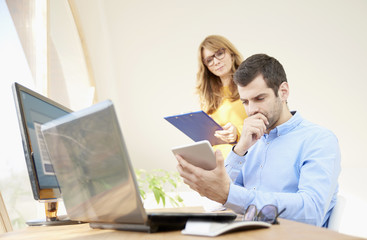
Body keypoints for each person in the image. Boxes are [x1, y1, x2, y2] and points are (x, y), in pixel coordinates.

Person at [176, 53, 341, 227]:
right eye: (245, 102)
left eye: (259, 98)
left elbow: (312, 211)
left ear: (283, 92)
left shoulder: (319, 139)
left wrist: (230, 195)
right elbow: (220, 200)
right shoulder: (251, 143)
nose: (252, 110)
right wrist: (239, 151)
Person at [196, 35, 247, 159]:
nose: (216, 62)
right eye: (209, 60)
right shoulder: (207, 96)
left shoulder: (248, 85)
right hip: (217, 161)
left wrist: (238, 132)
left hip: (244, 157)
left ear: (231, 52)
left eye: (219, 53)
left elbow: (266, 123)